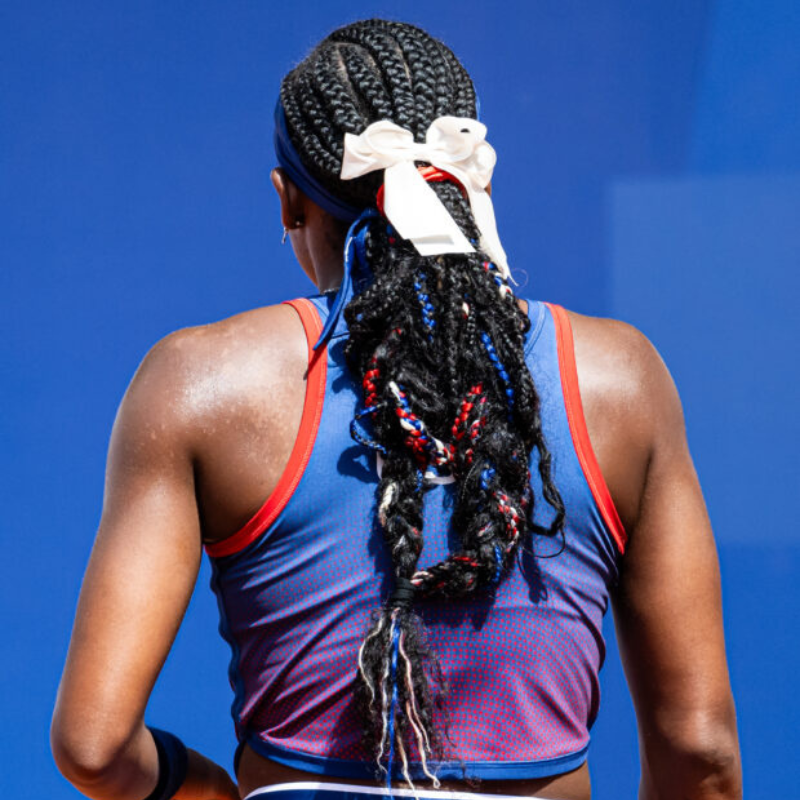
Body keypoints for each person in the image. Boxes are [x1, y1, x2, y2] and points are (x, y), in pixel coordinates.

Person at [51, 18, 742, 800]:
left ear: (288, 203)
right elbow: (701, 754)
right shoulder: (623, 384)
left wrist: (211, 792)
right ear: (474, 184)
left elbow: (95, 747)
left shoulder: (198, 385)